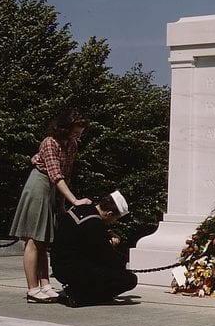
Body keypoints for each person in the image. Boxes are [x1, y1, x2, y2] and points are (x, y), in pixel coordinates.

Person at [9, 108, 92, 303]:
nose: (77, 135)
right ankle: (32, 289)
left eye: (80, 133)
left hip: (53, 190)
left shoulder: (72, 145)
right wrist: (75, 201)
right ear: (65, 127)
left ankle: (45, 284)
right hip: (39, 185)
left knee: (43, 240)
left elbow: (67, 174)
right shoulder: (49, 143)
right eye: (75, 131)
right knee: (33, 239)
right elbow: (56, 175)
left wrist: (61, 204)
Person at [51, 190, 137, 307]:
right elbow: (107, 257)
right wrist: (123, 264)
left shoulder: (81, 209)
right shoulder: (95, 224)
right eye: (115, 218)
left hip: (59, 264)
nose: (114, 222)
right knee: (129, 280)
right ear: (109, 214)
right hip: (72, 270)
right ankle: (81, 296)